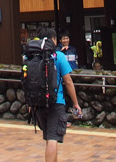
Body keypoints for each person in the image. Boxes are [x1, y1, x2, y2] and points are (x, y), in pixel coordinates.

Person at [31, 27, 81, 162]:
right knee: (53, 139)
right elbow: (68, 81)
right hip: (56, 102)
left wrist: (30, 102)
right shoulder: (59, 56)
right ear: (53, 40)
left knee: (49, 137)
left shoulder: (32, 57)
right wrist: (75, 103)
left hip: (39, 103)